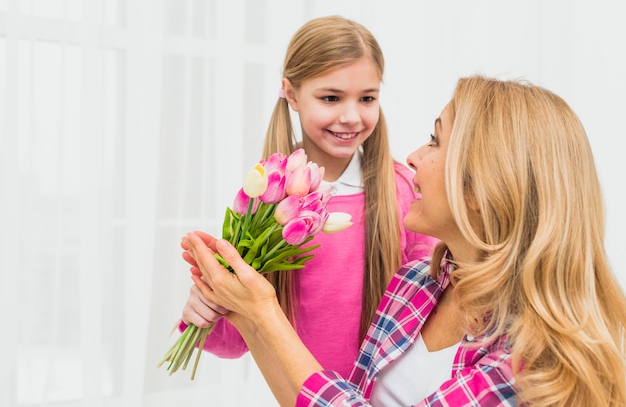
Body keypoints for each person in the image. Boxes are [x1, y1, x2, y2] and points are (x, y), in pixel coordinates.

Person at [182, 75, 626, 406]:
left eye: (436, 140)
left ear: (480, 189)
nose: (413, 155)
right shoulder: (416, 284)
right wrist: (241, 311)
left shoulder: (533, 362)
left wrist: (264, 313)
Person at [179, 15, 438, 378]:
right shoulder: (267, 196)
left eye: (367, 98)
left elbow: (436, 312)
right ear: (291, 93)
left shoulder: (405, 190)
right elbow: (232, 341)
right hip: (301, 395)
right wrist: (204, 310)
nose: (351, 116)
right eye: (330, 98)